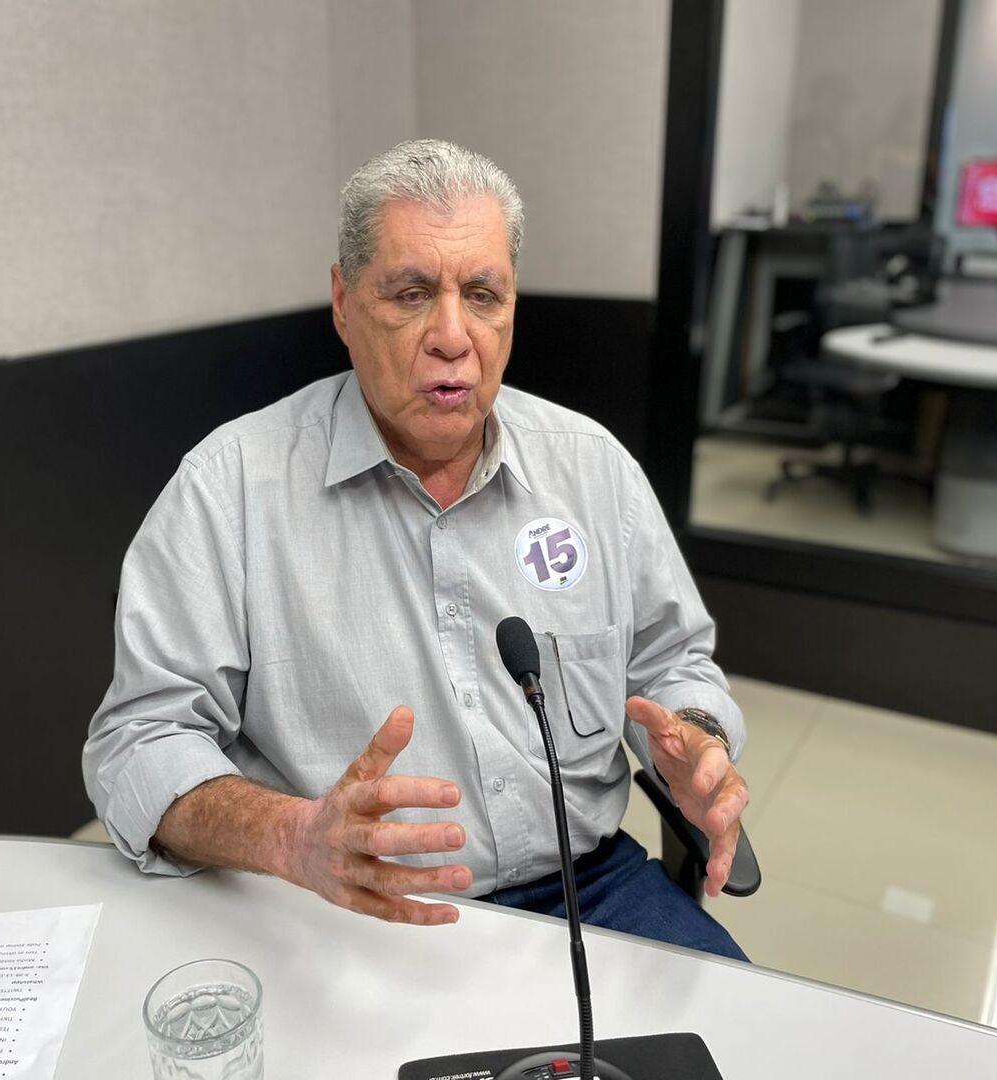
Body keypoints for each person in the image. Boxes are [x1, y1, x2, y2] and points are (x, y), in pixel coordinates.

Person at [83, 139, 750, 960]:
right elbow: (138, 743)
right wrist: (292, 837)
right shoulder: (230, 489)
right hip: (345, 905)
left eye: (482, 294)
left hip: (592, 889)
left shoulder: (592, 468)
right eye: (409, 293)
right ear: (341, 300)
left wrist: (691, 740)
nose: (451, 337)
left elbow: (674, 663)